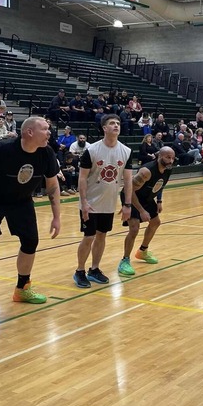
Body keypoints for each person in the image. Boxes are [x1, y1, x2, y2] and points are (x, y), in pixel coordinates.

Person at [0, 116, 61, 322]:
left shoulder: (46, 153)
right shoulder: (2, 149)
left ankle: (22, 288)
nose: (49, 132)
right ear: (29, 132)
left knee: (31, 242)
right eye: (44, 129)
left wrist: (57, 217)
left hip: (21, 201)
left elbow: (52, 185)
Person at [73, 114, 133, 288]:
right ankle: (79, 271)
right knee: (88, 236)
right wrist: (83, 202)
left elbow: (128, 180)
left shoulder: (126, 151)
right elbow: (82, 178)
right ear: (104, 128)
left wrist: (127, 205)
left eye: (118, 123)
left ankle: (94, 269)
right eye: (112, 123)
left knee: (102, 235)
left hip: (109, 203)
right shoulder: (92, 151)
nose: (116, 126)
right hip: (90, 203)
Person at [117, 147, 175, 277]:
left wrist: (159, 201)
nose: (171, 160)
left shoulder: (168, 169)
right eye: (168, 157)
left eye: (172, 158)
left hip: (146, 197)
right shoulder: (146, 171)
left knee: (155, 222)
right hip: (131, 196)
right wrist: (141, 210)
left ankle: (142, 251)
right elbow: (129, 189)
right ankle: (125, 260)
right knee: (134, 229)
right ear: (160, 156)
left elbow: (160, 185)